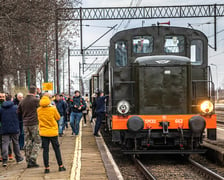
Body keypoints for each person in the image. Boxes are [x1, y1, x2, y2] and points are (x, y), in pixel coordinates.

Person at [37, 95, 66, 173]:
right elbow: (58, 117)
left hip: (43, 132)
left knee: (45, 150)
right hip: (53, 132)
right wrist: (55, 108)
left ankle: (47, 168)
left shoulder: (39, 110)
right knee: (56, 149)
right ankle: (61, 166)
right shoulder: (53, 109)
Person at [17, 86, 41, 168]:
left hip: (25, 124)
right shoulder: (35, 100)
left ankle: (28, 160)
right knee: (37, 141)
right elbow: (42, 107)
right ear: (35, 92)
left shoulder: (22, 101)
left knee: (27, 141)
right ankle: (33, 158)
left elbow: (18, 112)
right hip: (34, 123)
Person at [0, 95, 24, 167]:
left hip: (4, 128)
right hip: (15, 128)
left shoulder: (1, 108)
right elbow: (20, 117)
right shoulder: (16, 108)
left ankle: (4, 159)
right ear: (11, 99)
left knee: (5, 143)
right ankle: (18, 157)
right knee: (15, 143)